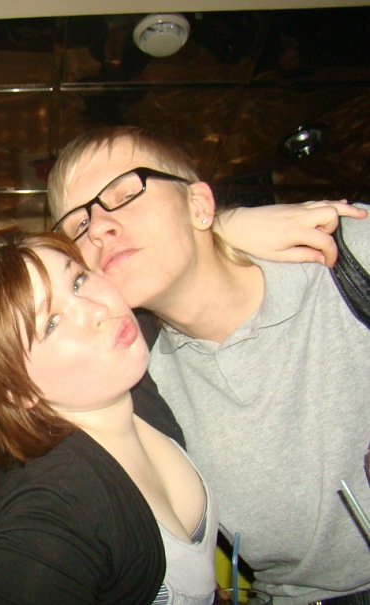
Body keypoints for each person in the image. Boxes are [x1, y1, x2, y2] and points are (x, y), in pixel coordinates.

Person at [47, 126, 370, 605]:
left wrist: (221, 224)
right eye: (77, 225)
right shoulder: (138, 384)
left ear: (199, 203)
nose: (97, 228)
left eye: (125, 194)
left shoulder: (349, 255)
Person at [0, 226, 218, 604]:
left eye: (78, 281)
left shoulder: (125, 373)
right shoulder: (50, 511)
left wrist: (232, 225)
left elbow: (175, 251)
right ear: (18, 390)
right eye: (51, 323)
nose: (98, 310)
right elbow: (41, 550)